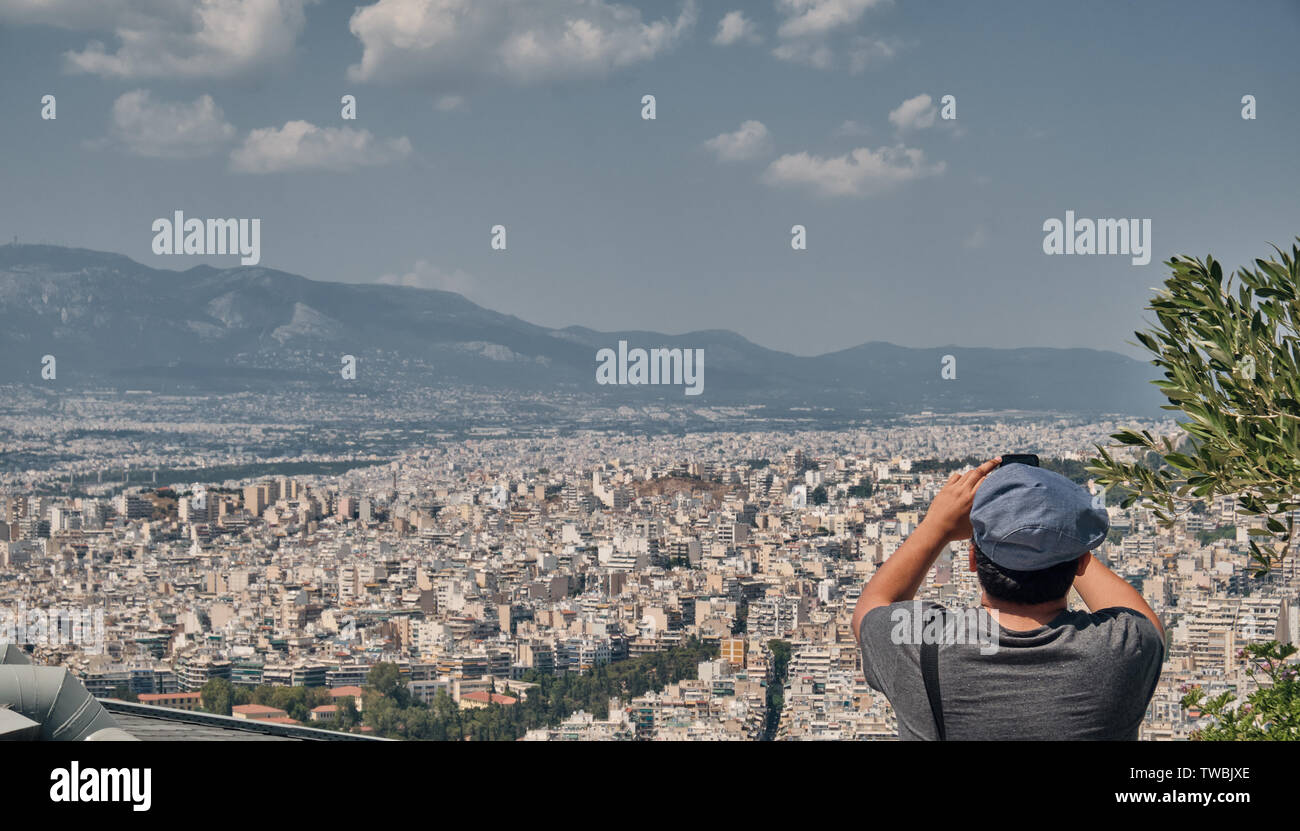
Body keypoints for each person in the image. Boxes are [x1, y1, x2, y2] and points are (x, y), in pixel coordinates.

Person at [851, 457, 1164, 740]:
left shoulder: (919, 645)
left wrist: (938, 526)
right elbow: (1146, 622)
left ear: (972, 559)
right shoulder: (1125, 648)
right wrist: (1056, 534)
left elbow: (871, 608)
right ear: (1081, 562)